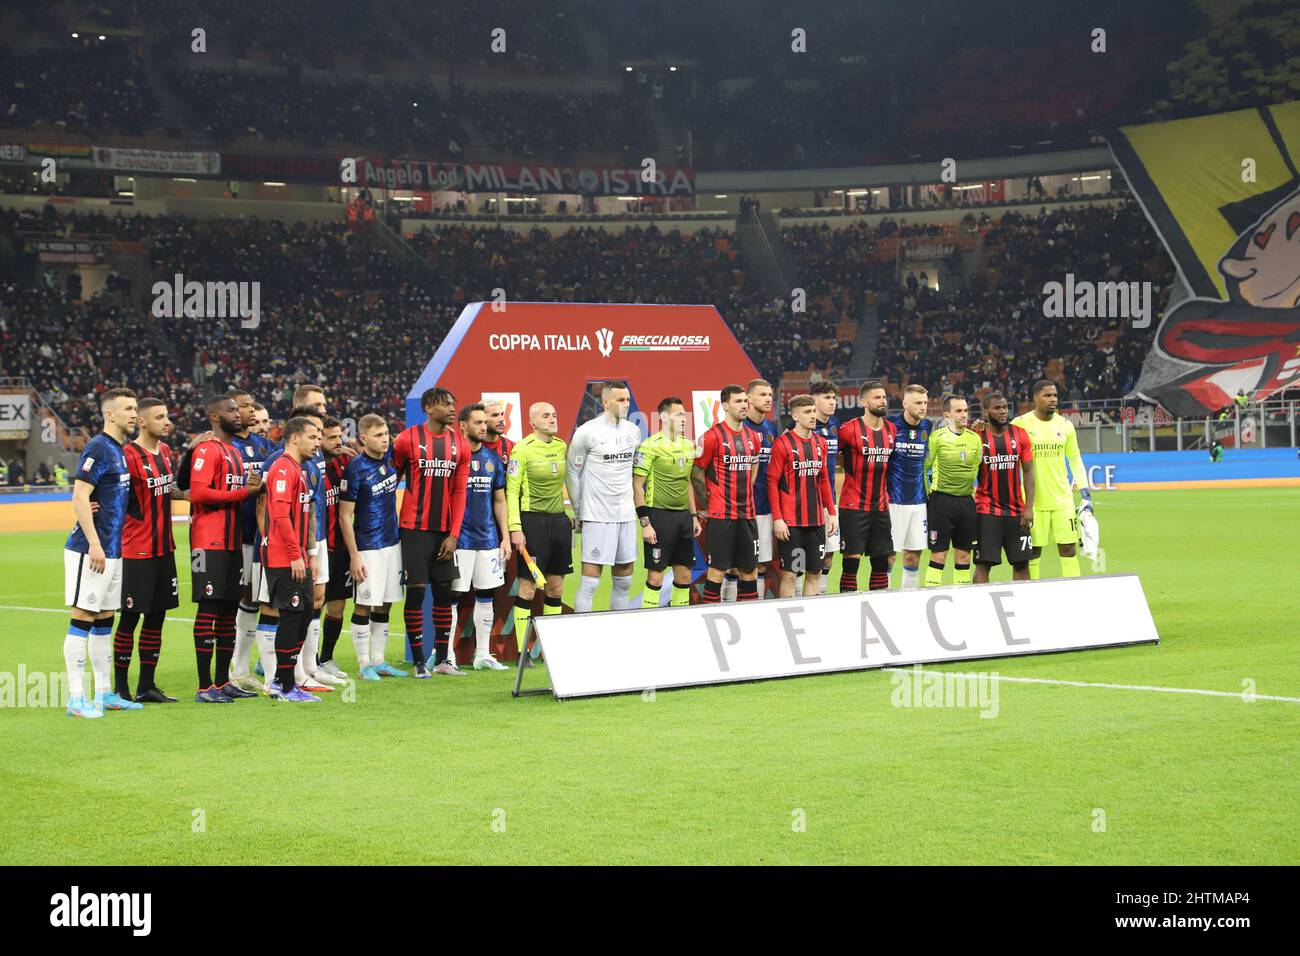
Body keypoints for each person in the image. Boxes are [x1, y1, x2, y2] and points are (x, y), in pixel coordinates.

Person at [63, 387, 141, 718]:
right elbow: (80, 496)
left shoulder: (119, 450)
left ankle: (105, 692)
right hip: (89, 549)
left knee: (104, 619)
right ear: (109, 414)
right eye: (128, 409)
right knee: (83, 616)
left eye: (136, 408)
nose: (134, 414)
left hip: (112, 549)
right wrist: (94, 544)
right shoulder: (98, 446)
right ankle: (76, 699)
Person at [188, 394, 262, 702]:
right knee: (209, 609)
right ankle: (205, 686)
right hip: (209, 542)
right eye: (231, 410)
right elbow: (199, 493)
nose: (238, 413)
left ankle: (223, 681)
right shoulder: (207, 449)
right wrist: (244, 493)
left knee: (229, 608)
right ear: (215, 417)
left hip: (232, 542)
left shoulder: (231, 451)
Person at [393, 387, 471, 675]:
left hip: (444, 533)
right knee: (415, 593)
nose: (453, 408)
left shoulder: (459, 444)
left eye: (454, 403)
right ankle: (417, 662)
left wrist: (453, 534)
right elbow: (393, 479)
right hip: (414, 529)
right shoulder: (406, 440)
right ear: (428, 407)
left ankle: (440, 661)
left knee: (443, 594)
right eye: (446, 404)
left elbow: (459, 491)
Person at [114, 398, 185, 703]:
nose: (166, 421)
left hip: (164, 549)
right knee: (129, 618)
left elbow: (171, 490)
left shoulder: (166, 453)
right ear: (142, 422)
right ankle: (120, 687)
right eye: (159, 417)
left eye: (167, 415)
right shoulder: (128, 456)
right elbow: (110, 493)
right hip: (136, 551)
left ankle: (147, 686)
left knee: (157, 617)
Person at [339, 414, 405, 678]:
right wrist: (354, 556)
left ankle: (379, 661)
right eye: (378, 435)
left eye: (386, 433)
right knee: (364, 604)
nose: (385, 439)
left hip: (392, 542)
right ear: (363, 438)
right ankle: (364, 663)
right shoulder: (355, 468)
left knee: (386, 602)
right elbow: (345, 516)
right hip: (367, 546)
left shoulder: (390, 461)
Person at [262, 416, 322, 702]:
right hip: (283, 558)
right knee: (291, 617)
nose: (317, 442)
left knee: (305, 614)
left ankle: (281, 680)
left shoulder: (298, 470)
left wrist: (307, 553)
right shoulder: (283, 469)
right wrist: (295, 554)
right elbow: (279, 515)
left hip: (297, 557)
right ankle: (285, 686)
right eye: (312, 437)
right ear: (294, 437)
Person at [567, 381, 641, 613]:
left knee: (625, 580)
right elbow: (572, 472)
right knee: (590, 582)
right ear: (605, 402)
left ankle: (617, 630)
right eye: (620, 400)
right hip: (597, 515)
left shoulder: (633, 430)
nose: (625, 404)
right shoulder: (587, 431)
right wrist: (579, 512)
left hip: (626, 516)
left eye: (627, 399)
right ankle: (583, 634)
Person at [506, 402, 571, 659]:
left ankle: (550, 648)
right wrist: (515, 528)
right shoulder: (522, 450)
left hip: (559, 522)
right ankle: (523, 650)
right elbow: (512, 490)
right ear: (533, 421)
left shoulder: (561, 446)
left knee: (555, 588)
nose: (552, 418)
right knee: (529, 588)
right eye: (546, 415)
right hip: (533, 524)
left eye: (554, 414)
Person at [452, 404, 511, 669]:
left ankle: (483, 654)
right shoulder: (452, 457)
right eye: (477, 422)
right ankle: (446, 654)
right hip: (459, 540)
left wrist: (505, 537)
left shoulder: (492, 459)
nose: (483, 427)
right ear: (462, 425)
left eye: (483, 422)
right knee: (452, 597)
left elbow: (500, 500)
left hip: (487, 539)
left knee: (486, 595)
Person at [692, 385, 763, 604]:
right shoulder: (712, 436)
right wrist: (709, 501)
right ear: (725, 406)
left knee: (750, 571)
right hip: (722, 516)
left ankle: (748, 616)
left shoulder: (753, 437)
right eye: (738, 401)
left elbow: (753, 466)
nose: (744, 405)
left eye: (745, 401)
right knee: (717, 571)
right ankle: (709, 616)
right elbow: (696, 474)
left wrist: (747, 491)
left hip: (748, 515)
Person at [1011, 381, 1087, 579]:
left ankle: (1073, 592)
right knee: (1033, 553)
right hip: (1033, 503)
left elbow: (1075, 459)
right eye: (1047, 395)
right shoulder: (1020, 424)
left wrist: (1085, 490)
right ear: (1035, 397)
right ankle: (1033, 595)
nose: (1052, 399)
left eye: (1054, 395)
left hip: (1063, 500)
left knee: (1069, 549)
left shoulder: (1066, 425)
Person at [633, 397, 700, 608]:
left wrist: (693, 516)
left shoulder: (689, 446)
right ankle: (648, 623)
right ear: (663, 417)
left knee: (684, 576)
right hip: (658, 517)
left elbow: (687, 483)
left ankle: (679, 622)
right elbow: (637, 487)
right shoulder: (650, 446)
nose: (684, 418)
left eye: (685, 414)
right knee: (656, 578)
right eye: (679, 414)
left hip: (683, 518)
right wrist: (646, 524)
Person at [767, 395, 838, 597]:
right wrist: (778, 518)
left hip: (816, 521)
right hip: (792, 523)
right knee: (790, 574)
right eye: (808, 412)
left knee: (815, 572)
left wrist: (831, 513)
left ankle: (810, 618)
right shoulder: (783, 444)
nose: (813, 416)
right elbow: (772, 482)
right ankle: (787, 617)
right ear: (795, 415)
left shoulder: (820, 443)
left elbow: (823, 480)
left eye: (814, 411)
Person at [837, 380, 896, 592]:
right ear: (863, 401)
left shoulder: (891, 429)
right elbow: (835, 455)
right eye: (877, 397)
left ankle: (879, 605)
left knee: (882, 561)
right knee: (851, 562)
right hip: (853, 506)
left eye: (883, 397)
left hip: (880, 507)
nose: (882, 401)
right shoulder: (848, 429)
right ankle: (847, 605)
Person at [973, 393, 1035, 583]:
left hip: (1017, 513)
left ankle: (1022, 605)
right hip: (986, 512)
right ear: (985, 411)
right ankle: (979, 605)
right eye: (997, 408)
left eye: (1005, 407)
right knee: (983, 564)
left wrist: (1029, 507)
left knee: (1022, 564)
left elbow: (1029, 472)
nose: (1002, 412)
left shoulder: (1019, 434)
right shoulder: (976, 436)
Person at [924, 394, 981, 587]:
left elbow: (976, 468)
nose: (964, 415)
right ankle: (931, 594)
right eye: (958, 411)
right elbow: (925, 467)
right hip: (941, 502)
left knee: (964, 555)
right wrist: (927, 496)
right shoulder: (936, 438)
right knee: (939, 554)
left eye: (965, 410)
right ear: (947, 415)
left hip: (966, 501)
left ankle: (962, 598)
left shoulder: (975, 439)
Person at [886, 384, 933, 589]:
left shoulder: (927, 426)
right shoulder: (890, 425)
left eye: (925, 403)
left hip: (919, 501)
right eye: (918, 403)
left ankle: (909, 600)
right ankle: (883, 600)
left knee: (913, 556)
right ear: (905, 404)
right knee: (888, 558)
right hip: (893, 502)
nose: (923, 407)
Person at [739, 378, 780, 600]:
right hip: (741, 508)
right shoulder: (739, 427)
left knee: (762, 563)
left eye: (770, 395)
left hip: (765, 506)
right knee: (738, 566)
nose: (768, 399)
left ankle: (758, 607)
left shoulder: (772, 427)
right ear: (749, 399)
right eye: (763, 395)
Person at [810, 382, 841, 591]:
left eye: (833, 398)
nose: (832, 402)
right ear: (814, 401)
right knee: (806, 555)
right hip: (806, 502)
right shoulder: (804, 427)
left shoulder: (835, 425)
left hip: (829, 499)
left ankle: (821, 593)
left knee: (829, 552)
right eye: (827, 397)